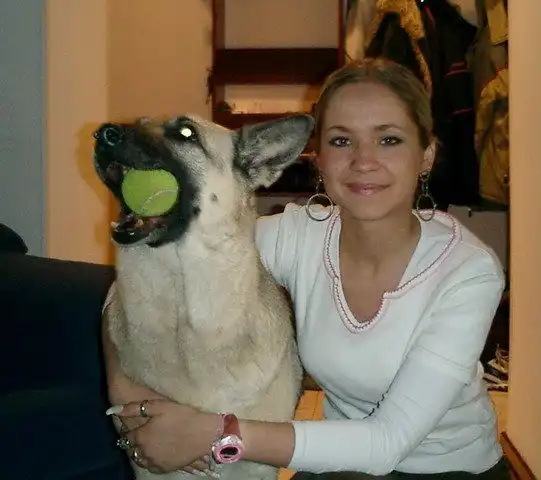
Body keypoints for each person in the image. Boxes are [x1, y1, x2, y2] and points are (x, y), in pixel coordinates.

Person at [102, 58, 510, 479]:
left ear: (426, 155)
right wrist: (125, 394)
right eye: (341, 140)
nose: (363, 160)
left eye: (388, 139)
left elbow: (387, 443)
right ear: (319, 159)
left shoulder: (469, 271)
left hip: (450, 469)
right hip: (343, 460)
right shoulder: (301, 236)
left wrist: (210, 434)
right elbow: (132, 286)